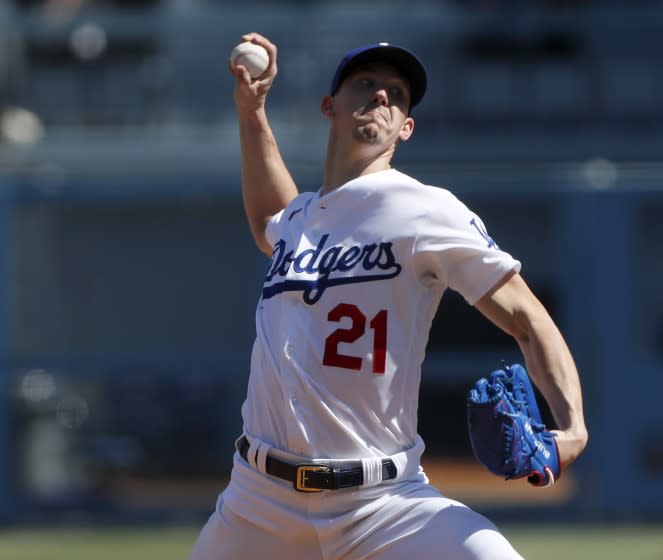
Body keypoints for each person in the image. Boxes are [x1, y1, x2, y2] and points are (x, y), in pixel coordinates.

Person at [189, 33, 587, 560]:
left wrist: (573, 428)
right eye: (366, 84)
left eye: (396, 94)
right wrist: (252, 110)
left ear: (406, 127)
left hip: (383, 504)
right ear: (330, 107)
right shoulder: (298, 222)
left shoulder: (424, 209)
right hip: (257, 504)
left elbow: (527, 317)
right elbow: (270, 218)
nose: (381, 96)